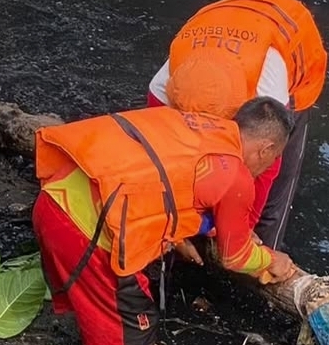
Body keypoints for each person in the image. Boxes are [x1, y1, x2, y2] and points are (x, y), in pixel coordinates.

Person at [33, 98, 298, 345]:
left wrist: (204, 228)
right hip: (83, 232)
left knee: (99, 308)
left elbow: (163, 180)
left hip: (54, 197)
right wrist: (271, 260)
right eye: (274, 158)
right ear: (266, 149)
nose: (269, 166)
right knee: (134, 331)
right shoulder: (236, 178)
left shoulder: (198, 123)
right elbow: (235, 257)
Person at [147, 0, 328, 250]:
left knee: (274, 188)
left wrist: (241, 231)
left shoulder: (265, 93)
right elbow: (161, 158)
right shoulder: (163, 87)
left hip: (292, 36)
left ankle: (266, 251)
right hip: (220, 22)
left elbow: (266, 168)